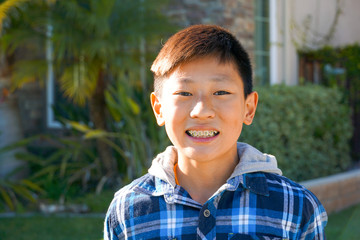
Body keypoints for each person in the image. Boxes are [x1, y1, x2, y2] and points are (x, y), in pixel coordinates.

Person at [104, 25, 327, 240]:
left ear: (248, 108)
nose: (201, 111)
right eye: (184, 93)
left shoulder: (296, 208)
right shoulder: (127, 212)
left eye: (220, 92)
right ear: (159, 109)